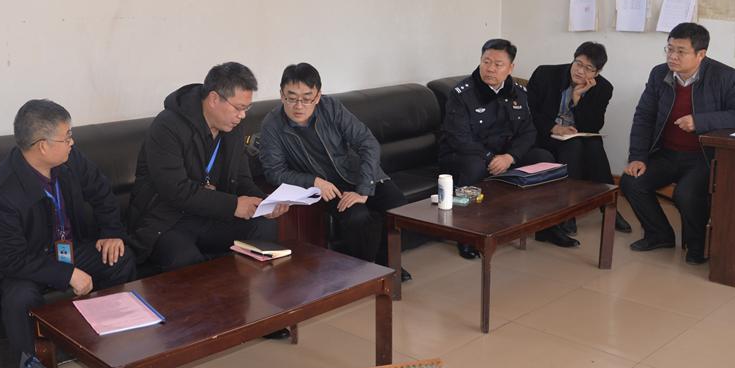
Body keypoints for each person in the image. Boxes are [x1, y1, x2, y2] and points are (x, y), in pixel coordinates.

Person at [0, 99, 137, 360]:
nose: (72, 142)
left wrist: (111, 232)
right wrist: (66, 273)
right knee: (19, 298)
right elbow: (12, 259)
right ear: (42, 146)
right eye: (66, 137)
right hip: (25, 262)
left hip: (66, 249)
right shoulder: (3, 191)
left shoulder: (70, 160)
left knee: (118, 257)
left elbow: (101, 191)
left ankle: (113, 344)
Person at [128, 62, 288, 273]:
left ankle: (243, 292)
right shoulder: (167, 126)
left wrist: (265, 204)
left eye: (246, 108)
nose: (242, 116)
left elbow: (241, 179)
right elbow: (175, 191)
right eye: (238, 108)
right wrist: (233, 205)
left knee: (264, 227)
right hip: (167, 220)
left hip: (210, 213)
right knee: (183, 256)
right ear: (214, 99)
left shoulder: (233, 128)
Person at [257, 63, 410, 281]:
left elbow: (367, 142)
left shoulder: (331, 107)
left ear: (318, 96)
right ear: (281, 95)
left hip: (357, 174)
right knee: (357, 216)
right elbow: (274, 171)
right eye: (291, 98)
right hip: (324, 188)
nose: (299, 106)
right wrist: (314, 181)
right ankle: (365, 274)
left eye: (307, 98)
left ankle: (389, 264)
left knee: (397, 205)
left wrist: (363, 190)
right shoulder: (272, 125)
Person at [621, 22, 735, 265]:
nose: (672, 56)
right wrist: (637, 157)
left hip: (704, 156)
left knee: (686, 193)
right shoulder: (659, 74)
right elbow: (644, 117)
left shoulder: (725, 76)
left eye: (681, 51)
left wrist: (700, 121)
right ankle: (659, 235)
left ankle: (698, 245)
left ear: (700, 54)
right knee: (632, 182)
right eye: (669, 49)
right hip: (666, 153)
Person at [439, 38, 571, 256]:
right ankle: (466, 234)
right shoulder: (462, 94)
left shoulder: (519, 92)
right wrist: (491, 157)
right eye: (486, 62)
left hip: (505, 154)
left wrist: (510, 157)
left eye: (498, 64)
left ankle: (547, 227)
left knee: (544, 159)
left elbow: (528, 132)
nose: (490, 68)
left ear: (510, 68)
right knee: (474, 167)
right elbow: (459, 138)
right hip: (465, 154)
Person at [527, 42, 632, 234]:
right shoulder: (545, 74)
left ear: (597, 73)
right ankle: (570, 211)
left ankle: (608, 206)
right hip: (543, 134)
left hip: (574, 136)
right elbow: (529, 112)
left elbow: (593, 126)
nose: (580, 71)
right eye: (578, 63)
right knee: (575, 146)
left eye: (588, 68)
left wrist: (577, 99)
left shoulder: (603, 88)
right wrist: (554, 127)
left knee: (593, 145)